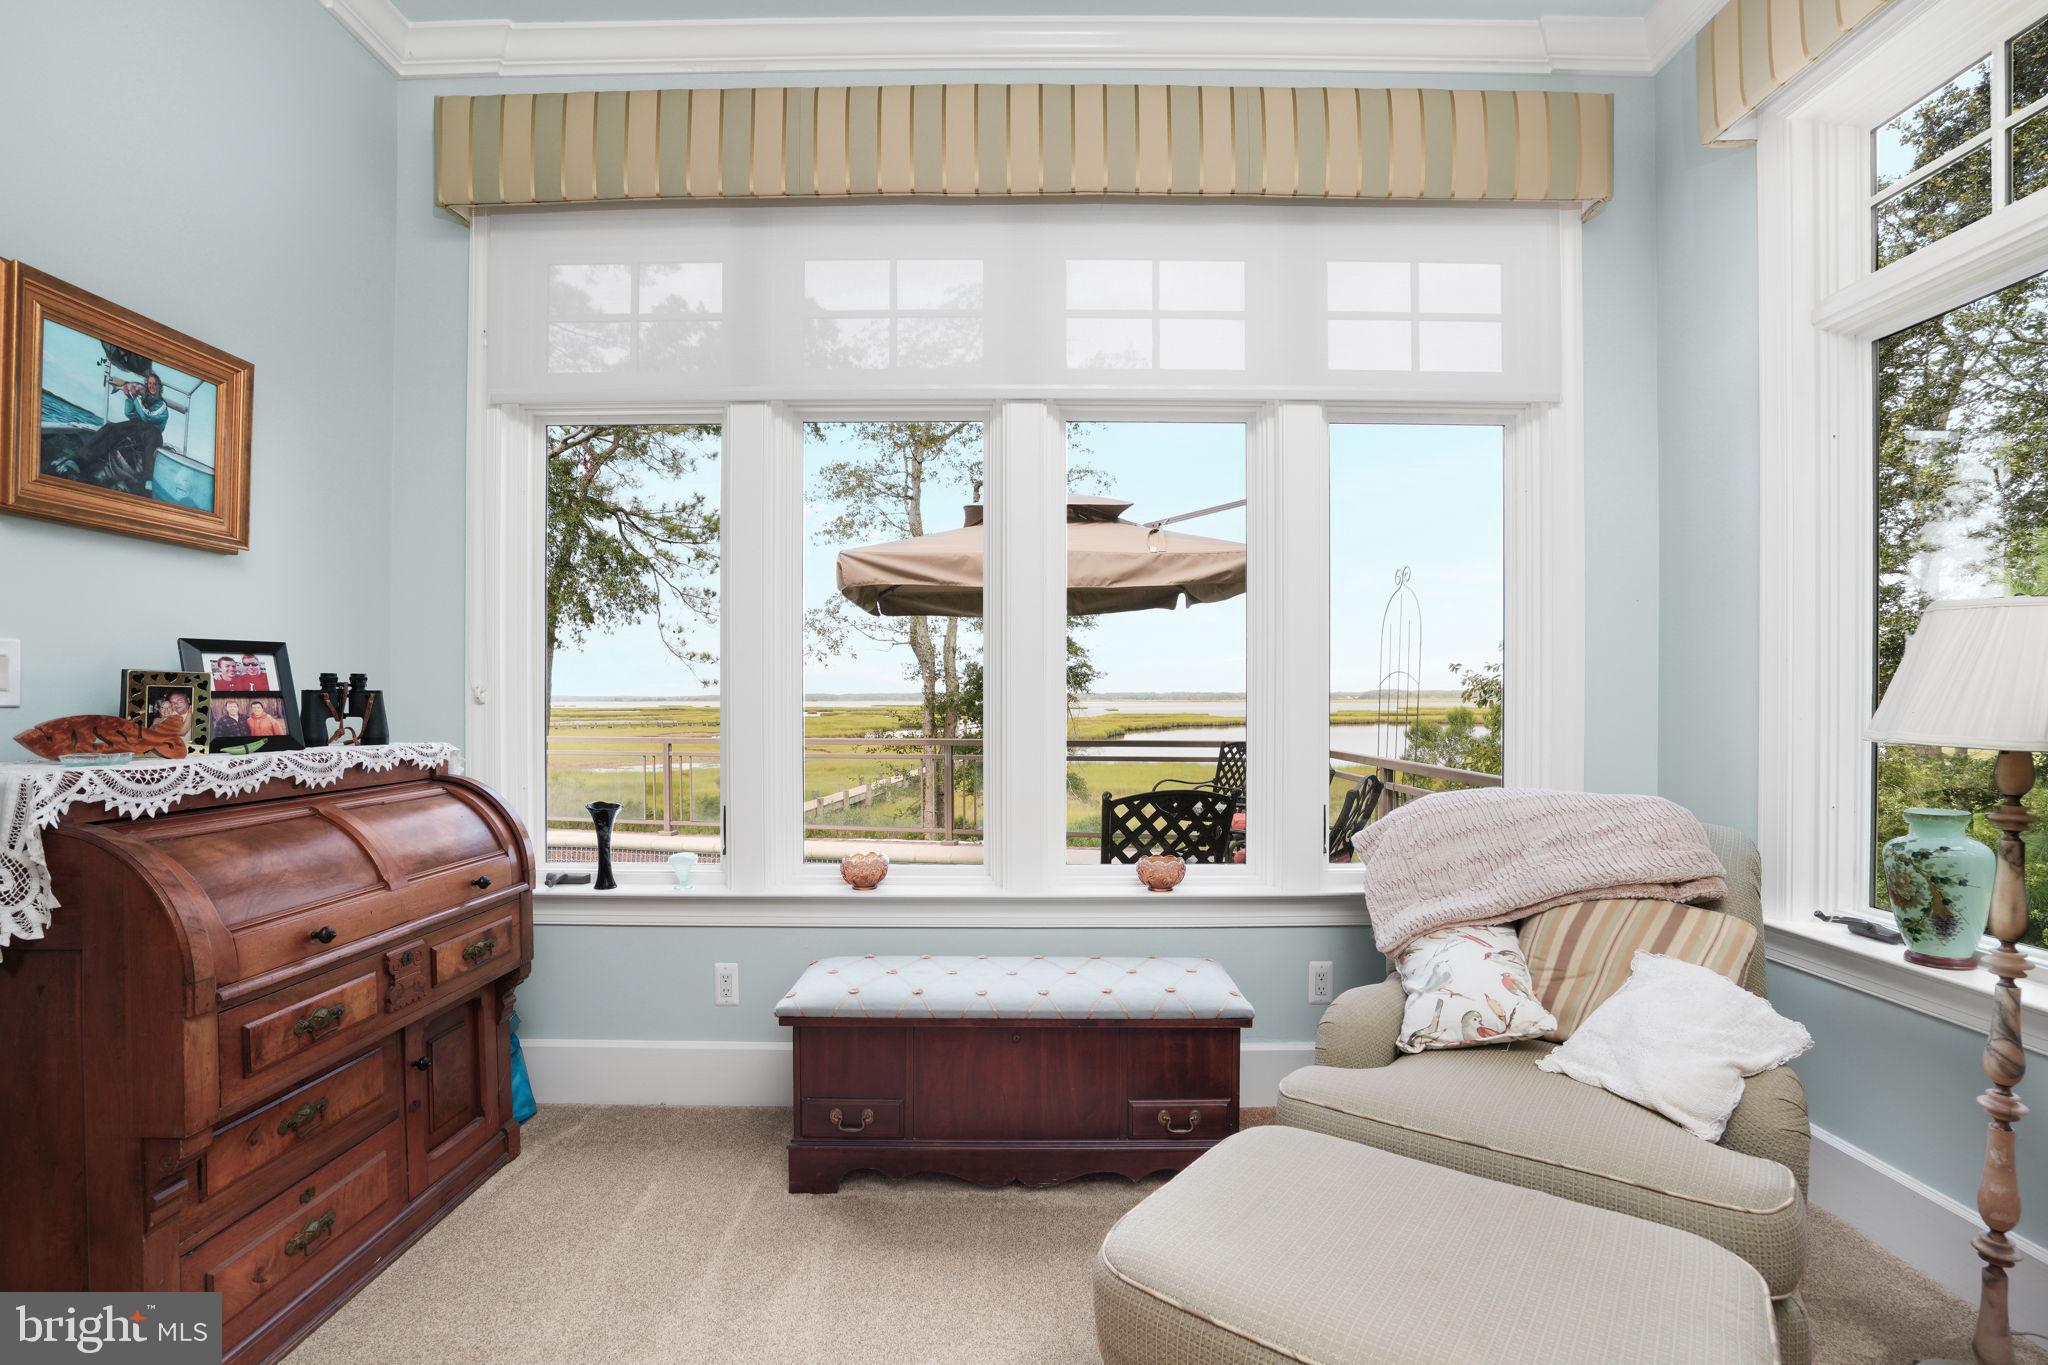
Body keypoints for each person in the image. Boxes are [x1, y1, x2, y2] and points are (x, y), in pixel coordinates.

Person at [76, 372, 170, 496]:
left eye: (155, 384)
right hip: (138, 427)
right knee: (111, 427)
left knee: (152, 438)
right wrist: (130, 399)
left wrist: (135, 398)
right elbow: (130, 414)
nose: (152, 386)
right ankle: (81, 459)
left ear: (159, 387)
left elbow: (148, 417)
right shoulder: (143, 400)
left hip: (153, 431)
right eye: (149, 384)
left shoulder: (162, 405)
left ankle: (147, 483)